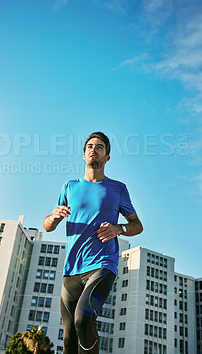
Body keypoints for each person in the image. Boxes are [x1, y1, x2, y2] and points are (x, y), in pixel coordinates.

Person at [43, 132, 143, 354]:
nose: (93, 149)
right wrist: (54, 217)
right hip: (71, 271)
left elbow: (137, 225)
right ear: (83, 154)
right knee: (69, 338)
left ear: (107, 157)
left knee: (83, 318)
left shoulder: (118, 189)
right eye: (89, 146)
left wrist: (119, 228)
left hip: (102, 265)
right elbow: (47, 225)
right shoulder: (69, 186)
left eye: (99, 147)